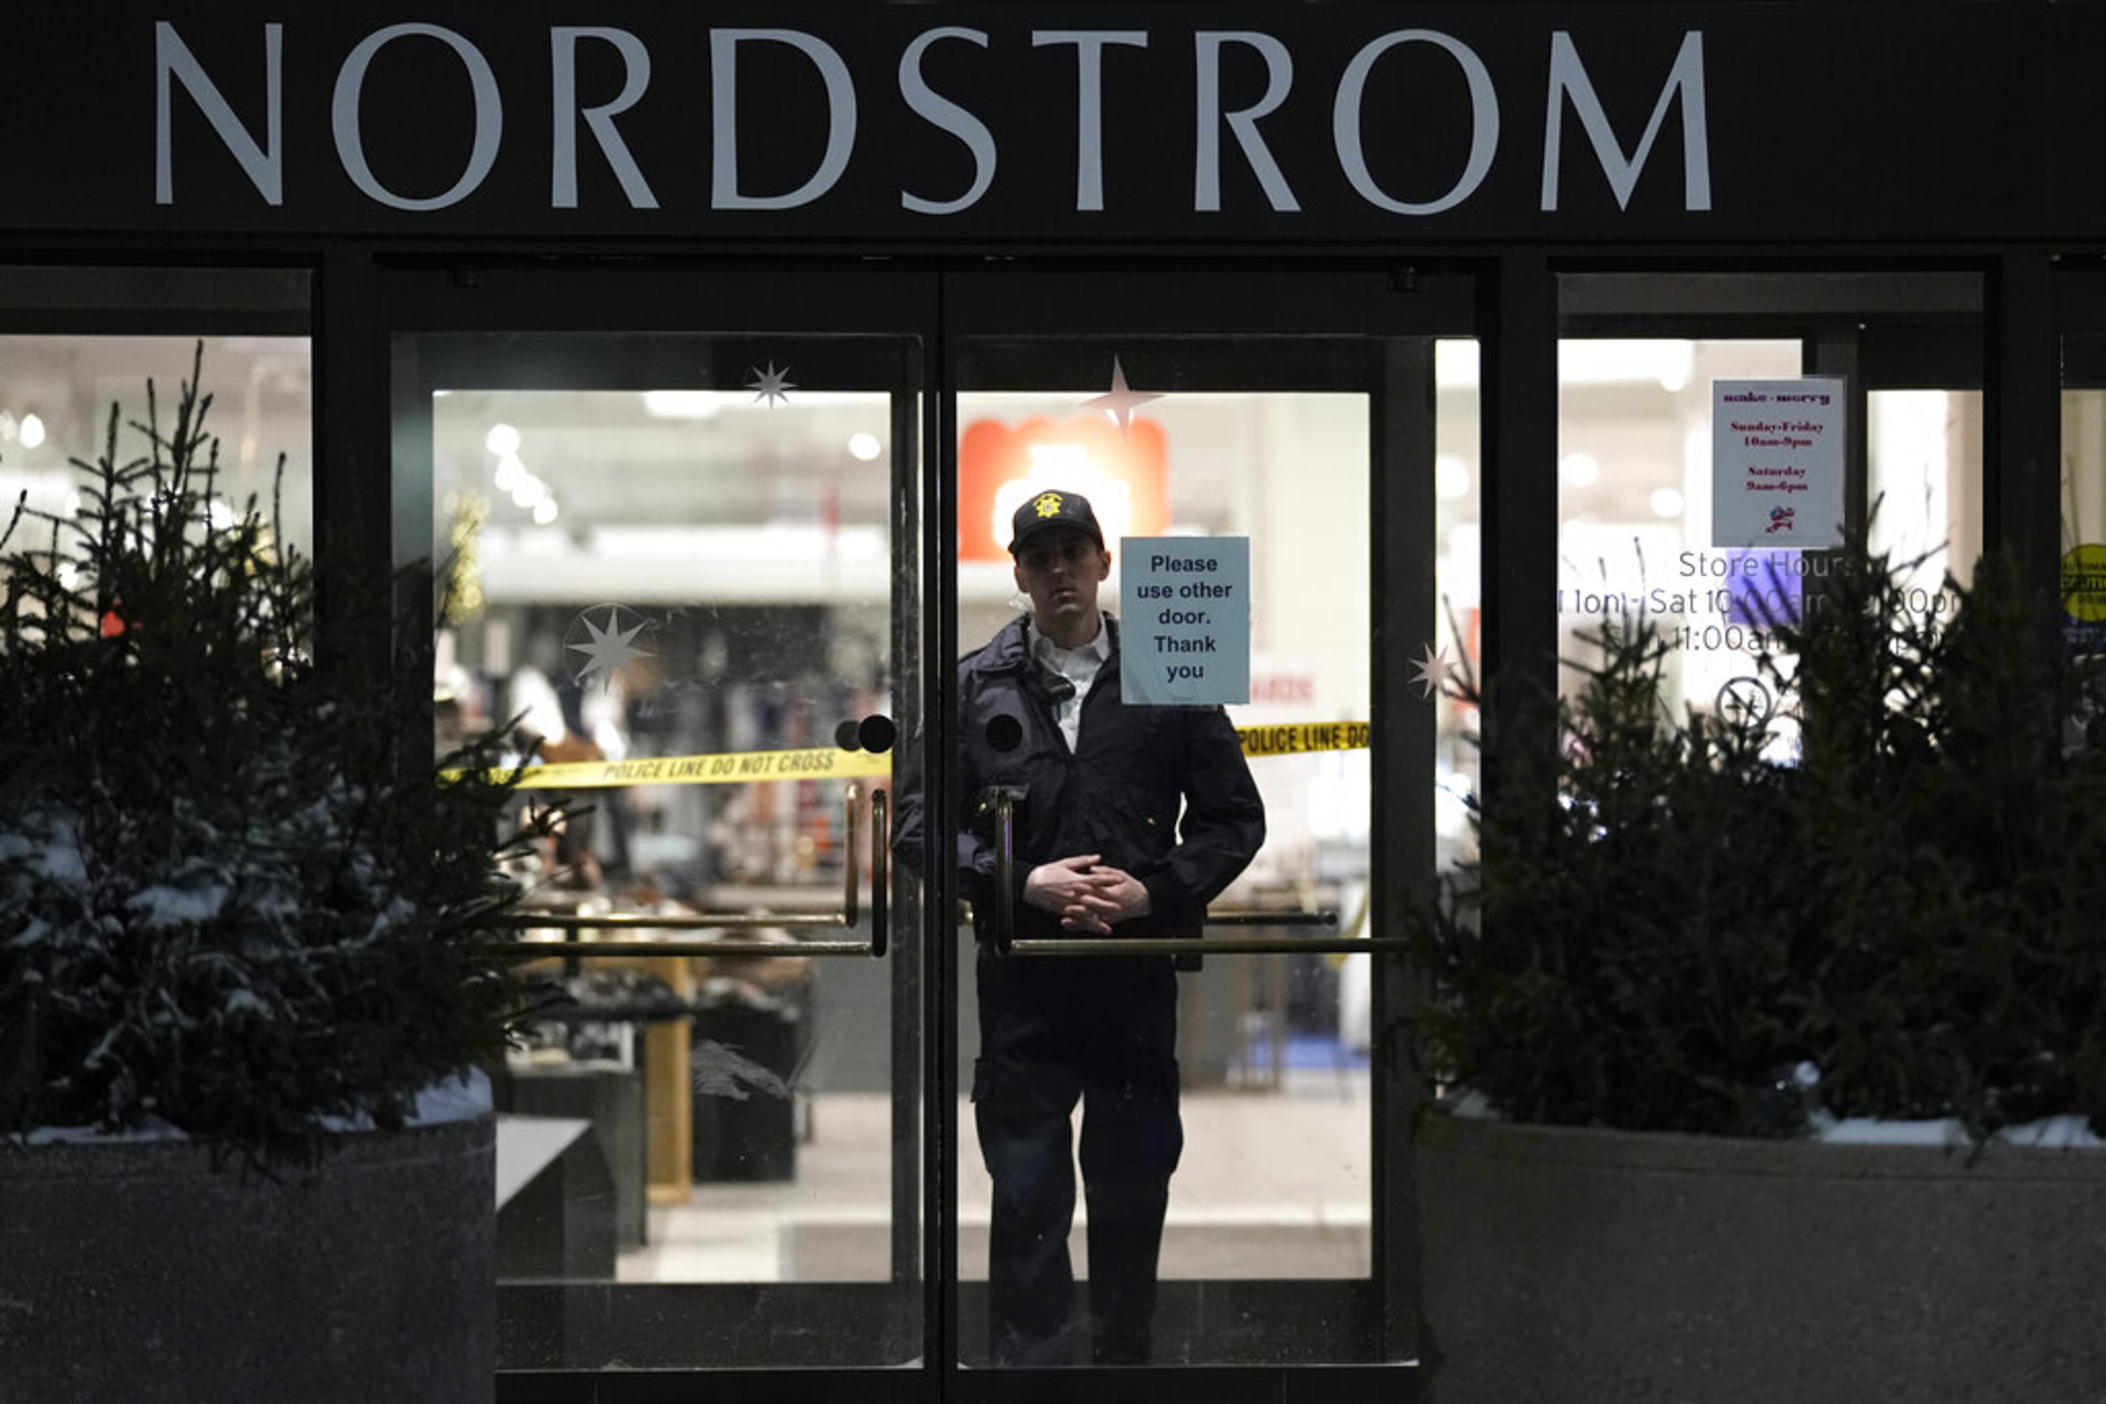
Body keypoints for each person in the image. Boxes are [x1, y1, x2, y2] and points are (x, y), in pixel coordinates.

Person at [903, 488, 1264, 1365]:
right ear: (1020, 573)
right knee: (1026, 1203)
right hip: (1025, 987)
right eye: (1042, 557)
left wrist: (1154, 893)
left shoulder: (1169, 671)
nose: (1060, 570)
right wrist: (1023, 881)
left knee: (1133, 1191)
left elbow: (1233, 819)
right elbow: (917, 826)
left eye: (1076, 552)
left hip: (1134, 982)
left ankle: (1123, 1367)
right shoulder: (971, 684)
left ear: (1105, 563)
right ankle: (1031, 1379)